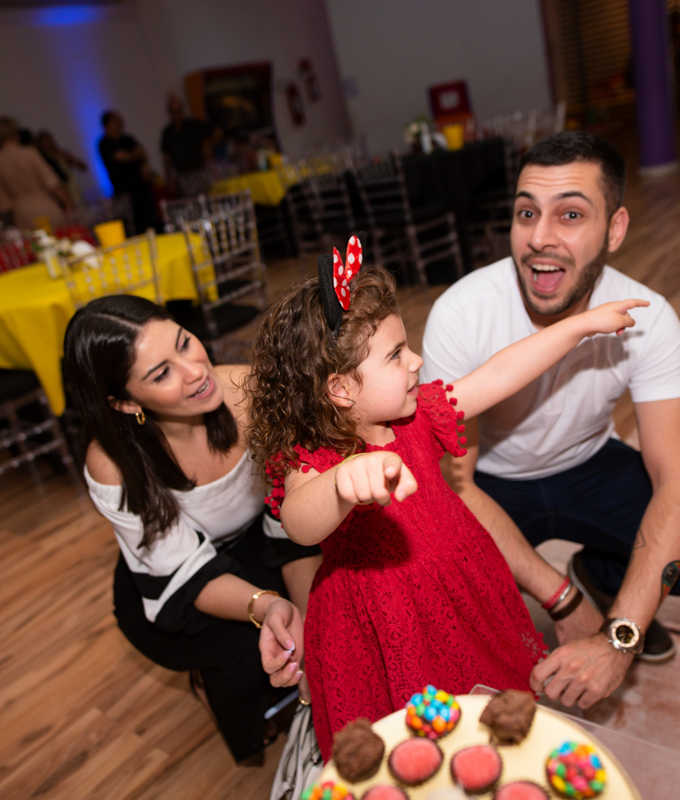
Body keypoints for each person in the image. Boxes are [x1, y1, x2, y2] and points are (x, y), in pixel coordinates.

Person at [244, 253, 646, 759]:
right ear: (340, 389)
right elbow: (299, 521)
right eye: (396, 355)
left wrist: (578, 327)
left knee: (488, 717)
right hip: (387, 621)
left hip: (460, 591)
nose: (415, 361)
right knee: (417, 746)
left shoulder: (419, 417)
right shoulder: (314, 458)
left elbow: (499, 372)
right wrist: (341, 484)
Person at [421, 131, 680, 708]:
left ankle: (602, 574)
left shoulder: (649, 316)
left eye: (571, 214)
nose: (539, 238)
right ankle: (577, 588)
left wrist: (620, 635)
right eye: (527, 213)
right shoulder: (461, 313)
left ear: (615, 229)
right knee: (426, 594)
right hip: (490, 483)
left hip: (590, 464)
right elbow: (455, 485)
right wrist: (562, 601)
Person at [61, 295, 321, 765]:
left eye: (184, 343)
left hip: (269, 537)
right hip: (174, 577)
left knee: (326, 612)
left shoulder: (248, 392)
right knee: (246, 649)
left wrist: (310, 624)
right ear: (125, 402)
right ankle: (216, 690)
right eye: (162, 373)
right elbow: (185, 573)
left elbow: (292, 522)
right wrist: (270, 606)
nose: (195, 371)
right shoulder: (113, 463)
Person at [0, 116, 70, 231]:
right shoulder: (29, 153)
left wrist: (13, 218)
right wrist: (69, 205)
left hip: (22, 214)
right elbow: (53, 183)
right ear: (15, 132)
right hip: (45, 205)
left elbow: (1, 199)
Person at [97, 110, 160, 235]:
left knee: (151, 221)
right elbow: (119, 156)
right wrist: (134, 155)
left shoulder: (128, 139)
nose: (121, 123)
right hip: (124, 192)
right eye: (117, 121)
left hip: (141, 187)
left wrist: (140, 162)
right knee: (133, 226)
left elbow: (142, 153)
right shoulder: (104, 143)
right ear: (108, 124)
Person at [160, 94, 215, 189]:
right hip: (183, 175)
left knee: (208, 192)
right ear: (170, 113)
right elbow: (166, 158)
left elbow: (215, 132)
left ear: (182, 110)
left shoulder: (193, 125)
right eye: (173, 111)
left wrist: (208, 148)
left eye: (179, 110)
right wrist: (169, 178)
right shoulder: (167, 133)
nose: (177, 114)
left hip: (200, 170)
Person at [35, 130, 87, 209]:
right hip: (59, 189)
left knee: (79, 205)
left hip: (71, 186)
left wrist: (69, 159)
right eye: (45, 143)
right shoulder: (43, 160)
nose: (48, 144)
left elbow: (83, 167)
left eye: (49, 141)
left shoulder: (62, 154)